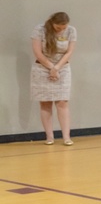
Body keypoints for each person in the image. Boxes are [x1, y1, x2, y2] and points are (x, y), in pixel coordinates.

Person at [31, 12, 77, 145]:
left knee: (62, 102)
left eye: (64, 28)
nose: (61, 30)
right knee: (45, 103)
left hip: (62, 68)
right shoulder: (39, 30)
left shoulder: (71, 30)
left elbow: (69, 51)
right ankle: (49, 137)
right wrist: (51, 67)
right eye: (58, 28)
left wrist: (57, 68)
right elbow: (38, 52)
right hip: (42, 69)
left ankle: (66, 137)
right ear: (52, 23)